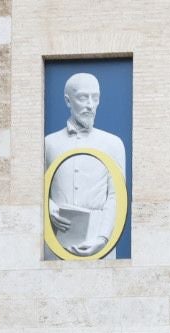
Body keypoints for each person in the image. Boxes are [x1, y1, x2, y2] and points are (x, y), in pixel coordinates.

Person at [44, 72, 129, 258]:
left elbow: (116, 196)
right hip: (57, 240)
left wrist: (103, 239)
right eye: (83, 97)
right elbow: (34, 190)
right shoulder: (48, 144)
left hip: (100, 241)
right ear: (68, 101)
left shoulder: (113, 144)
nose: (90, 105)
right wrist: (48, 207)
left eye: (95, 98)